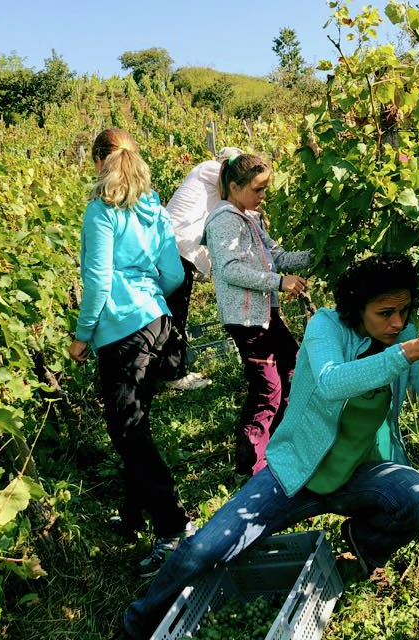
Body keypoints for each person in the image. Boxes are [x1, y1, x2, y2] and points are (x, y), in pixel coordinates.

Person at [120, 253, 419, 639]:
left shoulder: (401, 335)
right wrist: (404, 353)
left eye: (404, 310)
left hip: (360, 475)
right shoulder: (326, 326)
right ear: (357, 308)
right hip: (296, 474)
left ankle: (359, 550)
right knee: (203, 551)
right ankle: (138, 622)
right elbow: (331, 382)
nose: (397, 322)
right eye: (385, 313)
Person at [68, 128, 195, 577]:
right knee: (136, 421)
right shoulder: (154, 208)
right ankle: (133, 516)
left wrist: (83, 335)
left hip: (122, 331)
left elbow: (98, 281)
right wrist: (147, 298)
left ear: (98, 159)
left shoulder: (101, 211)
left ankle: (173, 528)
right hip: (156, 323)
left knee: (129, 433)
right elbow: (175, 274)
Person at [203, 153, 311, 475]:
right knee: (267, 388)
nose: (263, 196)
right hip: (246, 319)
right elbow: (231, 269)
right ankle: (252, 465)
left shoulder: (250, 216)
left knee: (292, 369)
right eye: (258, 189)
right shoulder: (224, 221)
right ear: (234, 187)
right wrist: (279, 282)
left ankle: (277, 446)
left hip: (264, 314)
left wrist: (315, 255)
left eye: (265, 189)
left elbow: (275, 254)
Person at [159, 146, 243, 391]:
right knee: (175, 311)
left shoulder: (211, 182)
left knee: (171, 309)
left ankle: (166, 370)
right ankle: (174, 375)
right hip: (177, 246)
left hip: (175, 246)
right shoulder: (210, 169)